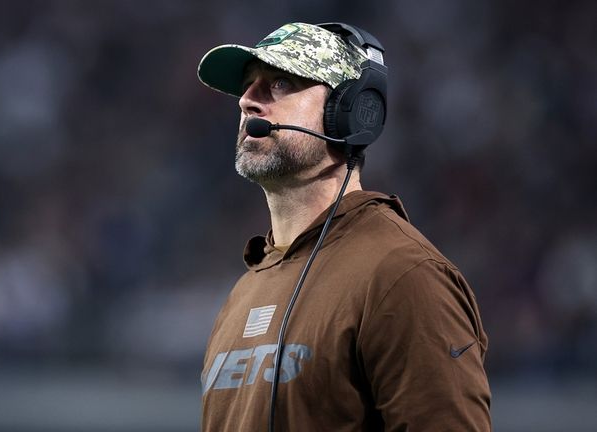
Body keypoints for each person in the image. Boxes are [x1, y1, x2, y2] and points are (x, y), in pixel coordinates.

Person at [196, 22, 491, 431]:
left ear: (351, 112)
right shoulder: (245, 291)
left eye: (280, 83)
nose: (248, 100)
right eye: (248, 85)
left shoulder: (403, 275)